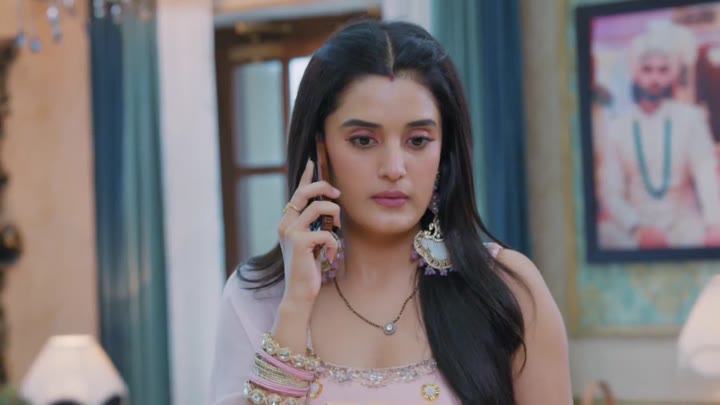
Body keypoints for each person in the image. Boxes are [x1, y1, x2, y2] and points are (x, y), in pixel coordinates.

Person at [208, 20, 571, 404]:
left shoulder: (507, 290)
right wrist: (295, 306)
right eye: (364, 140)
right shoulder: (255, 299)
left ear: (444, 151)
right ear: (321, 149)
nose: (394, 168)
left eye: (418, 140)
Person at [599, 22, 720, 249]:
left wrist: (714, 224)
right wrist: (637, 228)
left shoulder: (690, 119)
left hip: (684, 227)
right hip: (636, 229)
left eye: (663, 70)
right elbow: (611, 192)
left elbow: (706, 176)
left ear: (672, 75)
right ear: (635, 74)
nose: (655, 79)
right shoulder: (618, 127)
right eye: (647, 70)